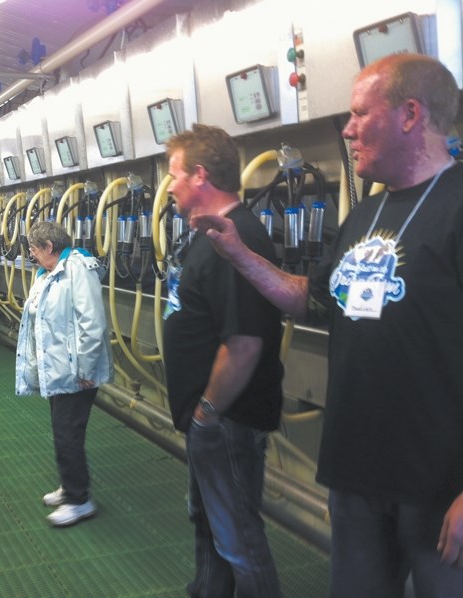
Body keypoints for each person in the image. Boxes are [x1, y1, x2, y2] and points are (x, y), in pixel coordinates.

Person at [195, 53, 463, 597]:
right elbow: (312, 300)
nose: (347, 128)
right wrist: (240, 254)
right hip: (356, 469)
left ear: (410, 114)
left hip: (439, 483)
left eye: (361, 113)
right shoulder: (364, 215)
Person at [162, 124, 283, 597]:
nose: (169, 186)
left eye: (174, 174)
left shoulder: (238, 239)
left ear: (200, 175)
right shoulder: (208, 236)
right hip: (210, 420)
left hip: (226, 419)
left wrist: (206, 414)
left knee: (238, 538)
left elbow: (244, 344)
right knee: (208, 521)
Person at [15, 221, 114, 527]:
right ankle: (70, 486)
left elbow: (91, 322)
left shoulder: (78, 270)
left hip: (76, 371)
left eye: (34, 250)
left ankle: (79, 500)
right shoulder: (49, 272)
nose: (32, 256)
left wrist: (85, 368)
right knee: (63, 431)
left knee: (67, 432)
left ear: (49, 247)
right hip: (58, 369)